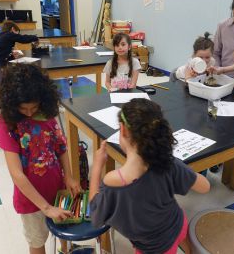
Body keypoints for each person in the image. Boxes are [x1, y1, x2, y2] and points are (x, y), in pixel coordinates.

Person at [89, 98, 210, 253]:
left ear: (123, 130)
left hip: (153, 249)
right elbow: (205, 187)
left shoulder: (113, 181)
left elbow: (95, 212)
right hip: (178, 225)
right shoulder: (168, 163)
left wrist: (97, 166)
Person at [0, 63, 81, 254]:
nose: (30, 113)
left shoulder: (47, 113)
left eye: (34, 107)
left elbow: (61, 147)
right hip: (31, 201)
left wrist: (69, 176)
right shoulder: (6, 122)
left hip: (57, 190)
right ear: (12, 103)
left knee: (63, 230)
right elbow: (16, 174)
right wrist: (46, 207)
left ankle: (64, 250)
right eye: (24, 109)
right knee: (37, 241)